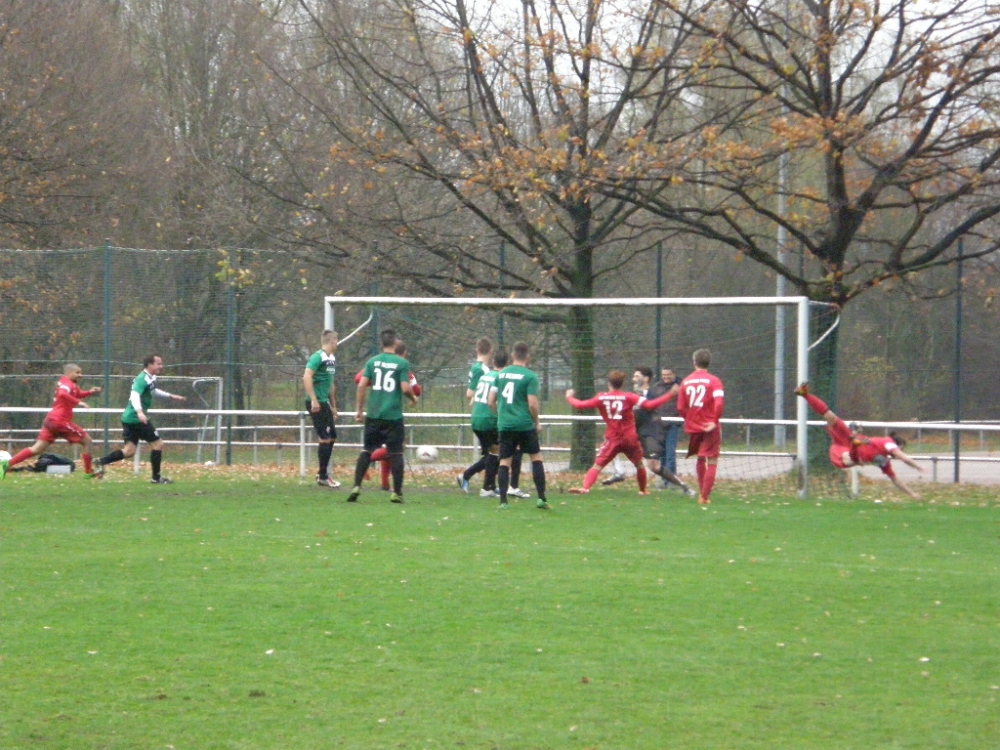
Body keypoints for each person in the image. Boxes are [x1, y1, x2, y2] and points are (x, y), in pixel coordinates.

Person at [795, 383, 925, 499]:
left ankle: (855, 442)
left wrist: (912, 494)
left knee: (851, 458)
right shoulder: (888, 443)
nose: (898, 452)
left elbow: (895, 479)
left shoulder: (884, 460)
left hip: (848, 448)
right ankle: (804, 394)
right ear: (895, 444)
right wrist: (918, 467)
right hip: (848, 440)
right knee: (831, 417)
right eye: (900, 448)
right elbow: (905, 459)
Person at [564, 370, 679, 494]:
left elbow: (580, 405)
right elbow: (650, 405)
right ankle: (643, 490)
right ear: (622, 384)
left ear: (609, 384)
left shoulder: (601, 397)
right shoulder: (629, 396)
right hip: (630, 438)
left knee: (597, 466)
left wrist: (569, 396)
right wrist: (670, 395)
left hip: (613, 437)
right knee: (639, 465)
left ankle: (585, 487)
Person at [346, 329, 418, 504]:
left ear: (382, 344)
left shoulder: (372, 362)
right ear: (395, 343)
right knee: (396, 453)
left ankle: (356, 486)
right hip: (392, 416)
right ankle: (397, 493)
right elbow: (405, 387)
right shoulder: (401, 363)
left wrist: (359, 410)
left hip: (373, 415)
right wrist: (413, 398)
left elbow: (361, 385)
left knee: (367, 450)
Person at [93, 354, 187, 483]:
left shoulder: (151, 378)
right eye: (158, 364)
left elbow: (153, 391)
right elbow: (135, 395)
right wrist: (139, 412)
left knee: (129, 451)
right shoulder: (142, 379)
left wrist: (171, 396)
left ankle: (101, 462)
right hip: (136, 419)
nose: (161, 366)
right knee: (158, 444)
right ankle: (156, 478)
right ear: (149, 364)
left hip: (128, 418)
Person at [0, 363, 103, 479]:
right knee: (87, 441)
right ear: (68, 373)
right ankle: (88, 472)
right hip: (60, 421)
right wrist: (78, 403)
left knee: (36, 449)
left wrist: (90, 392)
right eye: (77, 373)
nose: (80, 375)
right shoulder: (66, 384)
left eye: (81, 372)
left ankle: (7, 464)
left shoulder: (69, 384)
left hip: (51, 421)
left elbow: (77, 394)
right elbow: (62, 393)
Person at [487, 341, 549, 509]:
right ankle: (541, 499)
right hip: (525, 424)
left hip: (506, 425)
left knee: (504, 462)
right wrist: (536, 422)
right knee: (535, 458)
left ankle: (503, 502)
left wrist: (501, 416)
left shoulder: (500, 375)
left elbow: (490, 401)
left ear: (512, 355)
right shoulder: (530, 376)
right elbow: (532, 404)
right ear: (528, 357)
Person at [359, 339, 421, 491]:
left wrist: (374, 383)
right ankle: (366, 464)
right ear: (403, 354)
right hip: (391, 413)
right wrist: (414, 397)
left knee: (384, 449)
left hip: (375, 412)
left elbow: (358, 379)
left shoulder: (376, 363)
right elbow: (416, 390)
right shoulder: (403, 368)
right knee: (396, 449)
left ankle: (385, 483)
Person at [632, 367, 695, 496]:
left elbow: (651, 406)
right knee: (609, 450)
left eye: (637, 376)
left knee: (655, 465)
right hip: (633, 433)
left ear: (646, 378)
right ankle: (618, 474)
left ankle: (683, 486)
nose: (634, 379)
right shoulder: (633, 394)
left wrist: (671, 394)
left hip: (650, 433)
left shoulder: (652, 393)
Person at [677, 349, 724, 505]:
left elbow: (680, 407)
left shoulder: (685, 382)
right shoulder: (714, 381)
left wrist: (689, 419)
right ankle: (704, 496)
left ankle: (702, 493)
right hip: (709, 426)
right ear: (709, 363)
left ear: (694, 362)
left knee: (700, 457)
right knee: (712, 460)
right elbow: (719, 403)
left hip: (694, 426)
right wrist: (714, 420)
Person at [303, 329, 341, 488]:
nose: (337, 343)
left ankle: (322, 474)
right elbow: (306, 376)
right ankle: (323, 476)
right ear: (332, 341)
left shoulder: (331, 359)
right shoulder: (317, 357)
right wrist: (313, 400)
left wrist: (333, 406)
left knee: (332, 435)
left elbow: (330, 384)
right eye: (336, 341)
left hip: (324, 402)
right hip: (316, 403)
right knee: (325, 437)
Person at [656, 367, 682, 477]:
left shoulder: (680, 386)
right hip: (659, 425)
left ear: (674, 374)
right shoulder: (657, 387)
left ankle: (667, 480)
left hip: (672, 424)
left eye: (668, 375)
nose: (666, 377)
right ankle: (669, 478)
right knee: (662, 453)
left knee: (670, 453)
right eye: (664, 375)